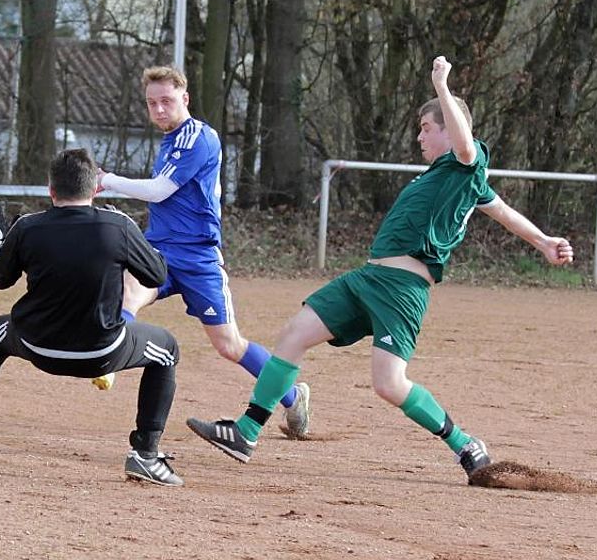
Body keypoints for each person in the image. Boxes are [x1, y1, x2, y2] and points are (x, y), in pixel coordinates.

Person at [186, 56, 575, 483]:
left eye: (427, 127)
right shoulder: (447, 178)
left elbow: (466, 149)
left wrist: (442, 87)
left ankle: (465, 443)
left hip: (402, 289)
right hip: (367, 279)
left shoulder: (468, 162)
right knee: (294, 333)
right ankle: (246, 432)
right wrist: (543, 242)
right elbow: (503, 212)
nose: (419, 135)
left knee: (388, 384)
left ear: (449, 125)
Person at [0, 148, 185, 487]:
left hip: (36, 347)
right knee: (167, 350)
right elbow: (157, 275)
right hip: (101, 354)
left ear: (51, 190)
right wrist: (130, 234)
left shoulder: (28, 227)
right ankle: (145, 454)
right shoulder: (117, 226)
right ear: (93, 190)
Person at [94, 65, 311, 437]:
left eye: (166, 101)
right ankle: (108, 363)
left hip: (198, 258)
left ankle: (292, 395)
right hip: (159, 251)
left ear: (185, 98)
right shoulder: (170, 140)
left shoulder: (199, 137)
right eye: (152, 103)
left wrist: (107, 180)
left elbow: (160, 191)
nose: (159, 110)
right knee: (126, 295)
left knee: (229, 345)